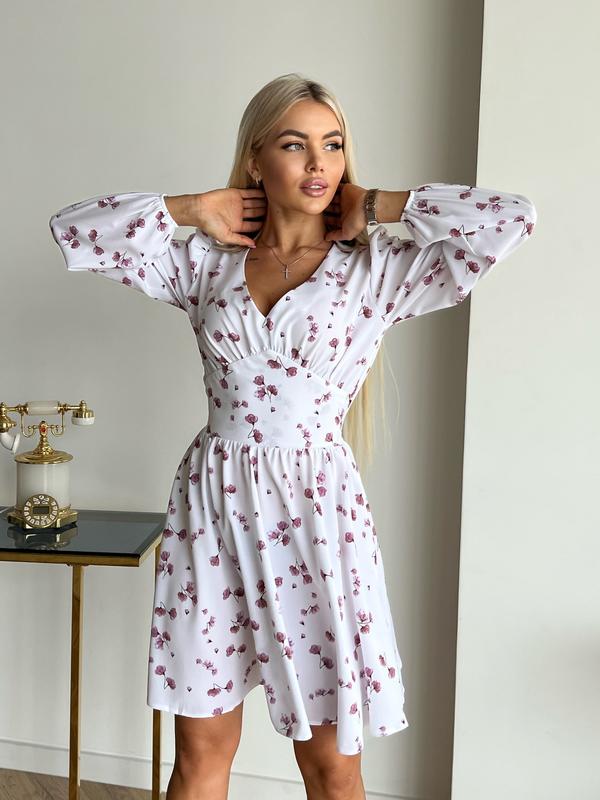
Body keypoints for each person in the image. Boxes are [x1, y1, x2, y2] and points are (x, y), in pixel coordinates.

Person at [48, 72, 537, 800]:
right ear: (255, 159)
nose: (318, 164)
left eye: (332, 145)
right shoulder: (204, 263)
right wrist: (190, 208)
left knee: (332, 767)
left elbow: (513, 219)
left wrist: (379, 204)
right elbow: (73, 230)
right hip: (213, 511)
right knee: (200, 755)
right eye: (294, 145)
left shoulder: (377, 269)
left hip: (315, 516)